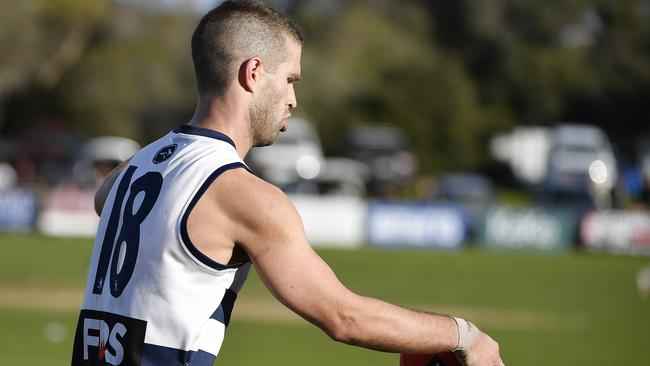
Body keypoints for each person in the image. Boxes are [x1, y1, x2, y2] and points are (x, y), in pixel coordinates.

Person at [71, 1, 504, 365]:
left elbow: (102, 199)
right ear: (253, 72)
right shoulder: (243, 195)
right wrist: (462, 335)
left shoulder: (135, 167)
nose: (294, 99)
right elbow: (343, 317)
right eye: (291, 80)